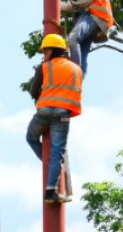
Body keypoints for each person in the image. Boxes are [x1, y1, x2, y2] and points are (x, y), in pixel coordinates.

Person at [26, 33, 82, 204]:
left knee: (31, 137)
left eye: (45, 50)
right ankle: (51, 191)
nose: (44, 54)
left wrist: (41, 97)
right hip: (63, 114)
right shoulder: (76, 69)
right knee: (58, 151)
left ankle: (50, 165)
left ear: (53, 50)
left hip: (44, 111)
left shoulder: (44, 67)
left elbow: (34, 91)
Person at [61, 0, 113, 76]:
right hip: (97, 21)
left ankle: (74, 75)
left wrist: (64, 6)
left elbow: (87, 0)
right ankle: (78, 80)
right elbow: (84, 3)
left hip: (96, 18)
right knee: (82, 50)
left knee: (73, 39)